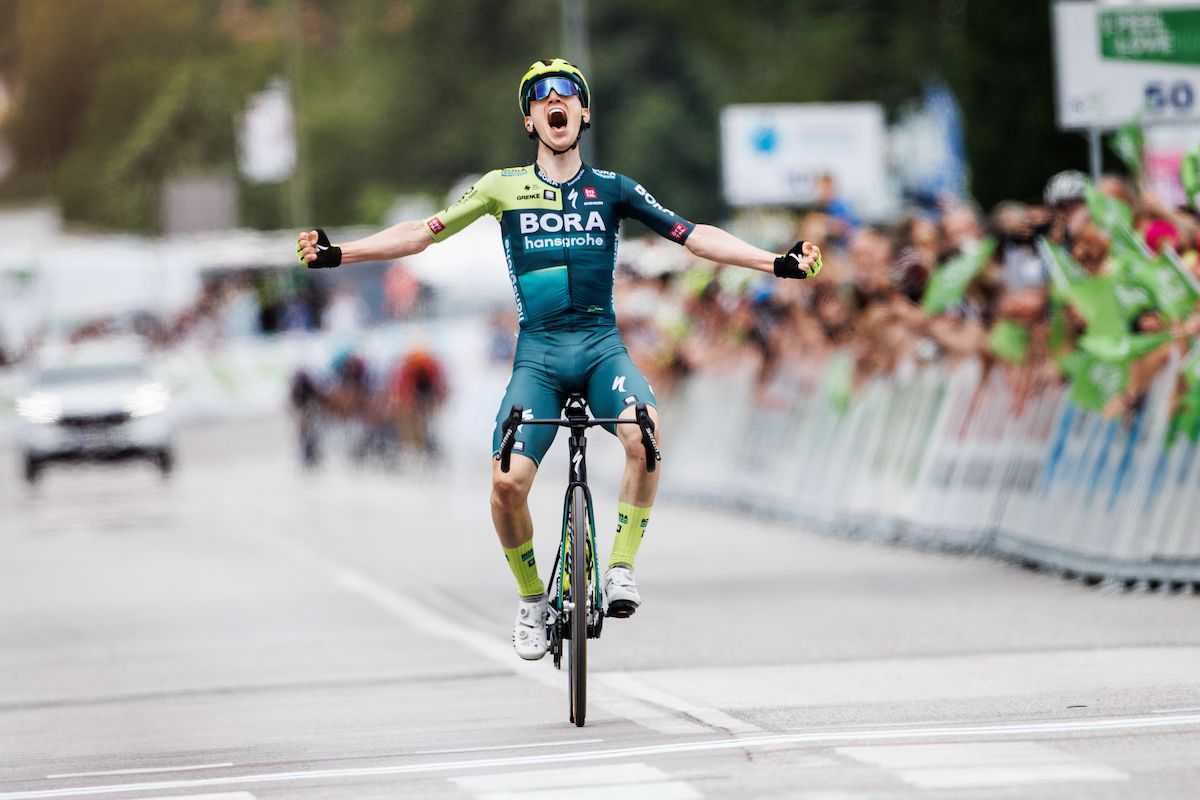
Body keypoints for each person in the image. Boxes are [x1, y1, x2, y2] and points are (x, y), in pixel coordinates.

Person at [297, 57, 822, 660]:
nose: (556, 100)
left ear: (584, 112)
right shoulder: (500, 186)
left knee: (645, 437)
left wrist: (774, 263)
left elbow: (692, 233)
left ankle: (621, 569)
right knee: (505, 485)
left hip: (601, 348)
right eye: (542, 95)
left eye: (568, 93)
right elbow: (423, 233)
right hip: (540, 358)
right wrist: (339, 254)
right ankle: (529, 600)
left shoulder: (614, 188)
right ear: (530, 119)